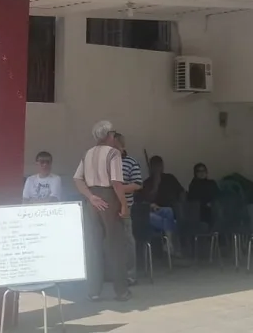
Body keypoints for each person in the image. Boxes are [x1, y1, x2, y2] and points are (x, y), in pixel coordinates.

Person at [73, 120, 132, 302]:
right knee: (116, 245)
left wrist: (90, 196)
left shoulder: (88, 153)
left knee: (93, 245)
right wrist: (124, 204)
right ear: (108, 135)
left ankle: (94, 291)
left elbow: (77, 179)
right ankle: (121, 290)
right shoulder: (113, 153)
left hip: (92, 199)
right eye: (113, 133)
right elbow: (116, 182)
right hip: (109, 197)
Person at [141, 156, 183, 255]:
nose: (157, 168)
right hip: (156, 212)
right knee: (171, 220)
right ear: (150, 167)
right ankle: (170, 244)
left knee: (170, 211)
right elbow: (147, 200)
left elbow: (181, 192)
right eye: (155, 166)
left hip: (173, 209)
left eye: (159, 165)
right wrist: (156, 185)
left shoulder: (170, 178)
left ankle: (169, 243)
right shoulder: (147, 183)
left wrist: (181, 203)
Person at [114, 133, 141, 284]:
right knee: (110, 242)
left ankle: (130, 275)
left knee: (127, 242)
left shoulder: (131, 162)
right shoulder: (105, 163)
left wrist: (118, 189)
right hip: (107, 208)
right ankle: (113, 274)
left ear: (122, 146)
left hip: (125, 208)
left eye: (115, 145)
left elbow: (137, 184)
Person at [187, 162, 220, 226]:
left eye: (203, 171)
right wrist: (206, 204)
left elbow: (218, 194)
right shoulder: (194, 185)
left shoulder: (211, 183)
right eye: (199, 171)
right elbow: (193, 200)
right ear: (195, 173)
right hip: (201, 210)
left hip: (215, 206)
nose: (202, 173)